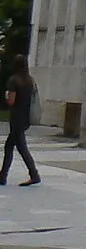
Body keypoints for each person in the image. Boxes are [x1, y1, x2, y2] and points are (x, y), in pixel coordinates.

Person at [2, 54, 38, 186]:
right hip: (25, 117)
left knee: (22, 148)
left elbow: (11, 101)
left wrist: (6, 96)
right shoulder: (30, 80)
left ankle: (34, 174)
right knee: (9, 146)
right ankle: (2, 175)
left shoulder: (14, 80)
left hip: (16, 117)